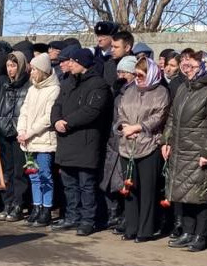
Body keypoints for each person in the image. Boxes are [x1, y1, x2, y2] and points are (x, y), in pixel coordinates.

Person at [164, 50, 207, 251]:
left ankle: (201, 235)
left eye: (192, 67)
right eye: (185, 66)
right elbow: (172, 117)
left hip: (198, 150)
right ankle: (188, 232)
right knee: (184, 194)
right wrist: (167, 141)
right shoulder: (184, 88)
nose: (187, 70)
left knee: (200, 196)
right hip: (180, 148)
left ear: (205, 67)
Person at [51, 48, 112, 236]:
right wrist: (56, 120)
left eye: (73, 61)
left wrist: (67, 122)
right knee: (69, 184)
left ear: (82, 63)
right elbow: (57, 105)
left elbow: (91, 111)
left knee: (86, 185)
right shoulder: (68, 82)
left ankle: (88, 220)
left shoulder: (98, 84)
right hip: (66, 141)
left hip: (86, 142)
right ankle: (72, 216)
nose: (69, 64)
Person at [115, 57, 170, 242]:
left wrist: (138, 127)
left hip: (149, 145)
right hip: (128, 144)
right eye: (136, 75)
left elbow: (159, 115)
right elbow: (121, 111)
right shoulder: (129, 91)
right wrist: (124, 127)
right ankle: (131, 227)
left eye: (141, 75)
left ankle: (145, 229)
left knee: (148, 190)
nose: (138, 78)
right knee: (130, 187)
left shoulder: (161, 92)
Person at [16, 53, 60, 227]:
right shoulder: (32, 89)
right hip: (28, 141)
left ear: (42, 70)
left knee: (45, 175)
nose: (31, 72)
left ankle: (46, 209)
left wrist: (30, 133)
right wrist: (21, 131)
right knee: (33, 176)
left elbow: (48, 118)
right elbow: (24, 112)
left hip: (43, 141)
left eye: (34, 69)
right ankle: (36, 206)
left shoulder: (54, 89)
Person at [100, 56, 138, 234]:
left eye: (125, 72)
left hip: (127, 141)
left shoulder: (135, 92)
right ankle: (113, 213)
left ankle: (124, 216)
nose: (121, 76)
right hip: (113, 140)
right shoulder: (116, 91)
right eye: (119, 72)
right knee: (109, 180)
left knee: (124, 181)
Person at [0, 51, 30, 220]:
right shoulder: (4, 86)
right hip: (5, 132)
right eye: (8, 66)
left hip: (19, 134)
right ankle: (7, 202)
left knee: (19, 172)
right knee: (7, 171)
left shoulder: (28, 86)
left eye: (13, 66)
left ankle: (18, 204)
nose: (10, 69)